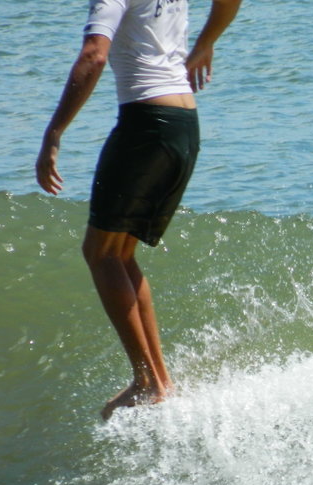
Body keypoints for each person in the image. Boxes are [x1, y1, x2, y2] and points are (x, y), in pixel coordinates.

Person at [35, 0, 242, 421]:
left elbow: (94, 55)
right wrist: (206, 44)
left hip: (146, 123)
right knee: (120, 253)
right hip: (184, 125)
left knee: (101, 253)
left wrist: (54, 133)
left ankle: (147, 381)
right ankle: (159, 382)